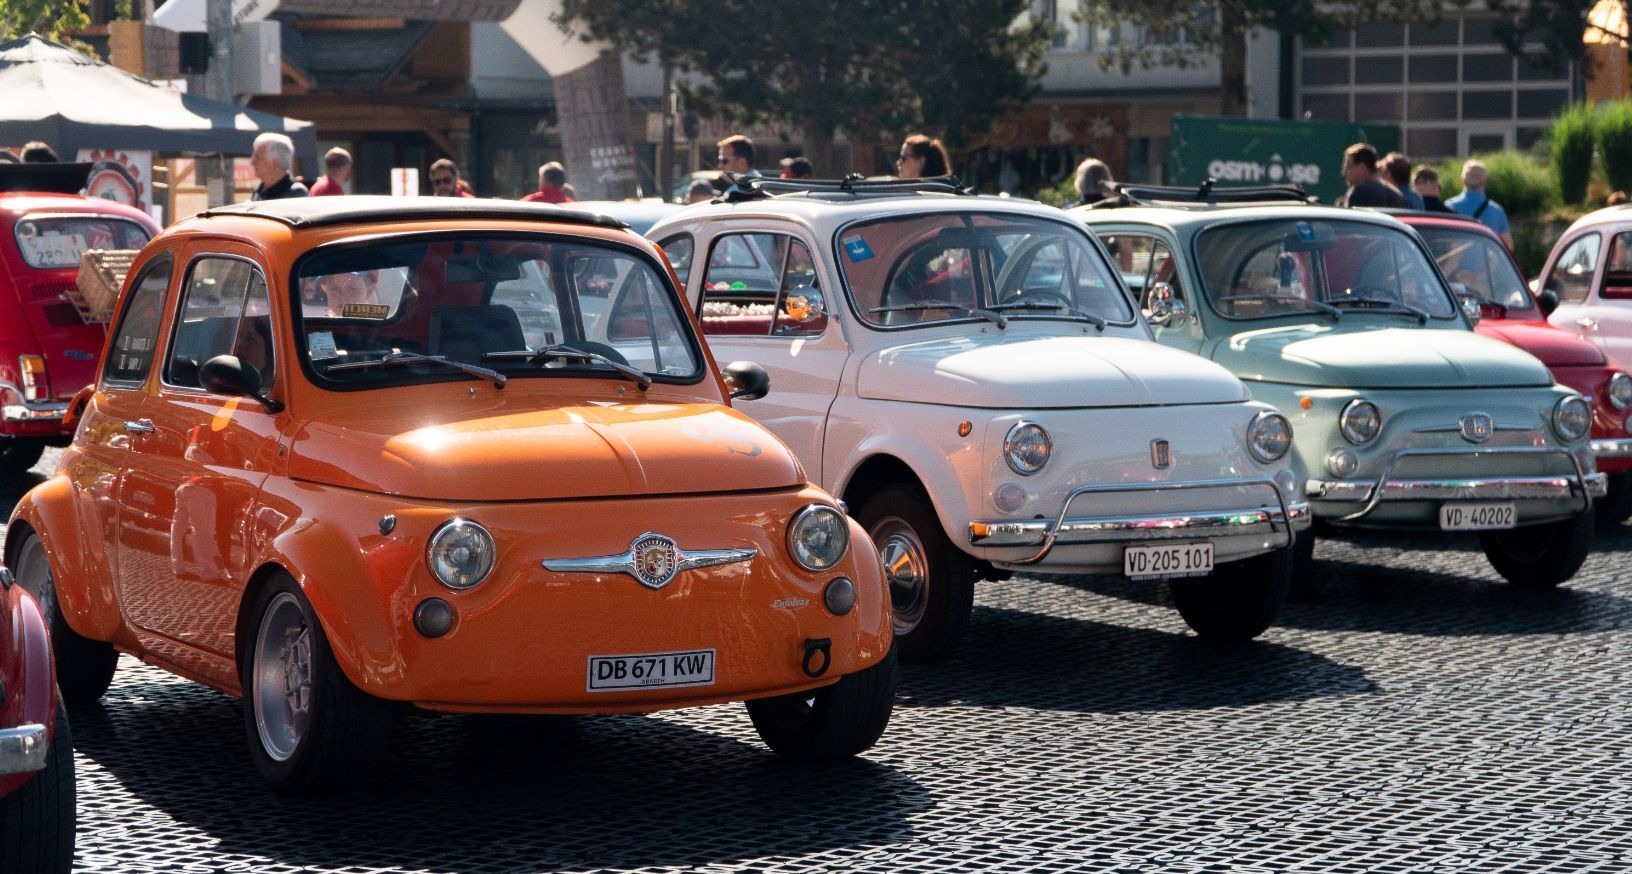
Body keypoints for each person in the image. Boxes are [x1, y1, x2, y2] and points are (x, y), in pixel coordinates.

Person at [1445, 159, 1514, 249]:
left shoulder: (1448, 207)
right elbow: (1508, 246)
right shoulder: (1497, 211)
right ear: (1484, 184)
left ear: (1462, 181)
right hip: (1485, 263)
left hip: (1457, 263)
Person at [1336, 143, 1405, 209]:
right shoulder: (1396, 196)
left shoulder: (1359, 193)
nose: (1344, 173)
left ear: (1362, 168)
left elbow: (1352, 220)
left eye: (1348, 167)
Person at [249, 132, 308, 200]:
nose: (252, 162)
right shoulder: (258, 191)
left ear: (274, 163)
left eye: (257, 157)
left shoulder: (295, 193)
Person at [316, 270, 381, 317]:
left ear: (369, 291)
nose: (341, 296)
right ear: (325, 289)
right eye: (334, 288)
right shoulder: (321, 326)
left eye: (352, 289)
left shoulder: (381, 326)